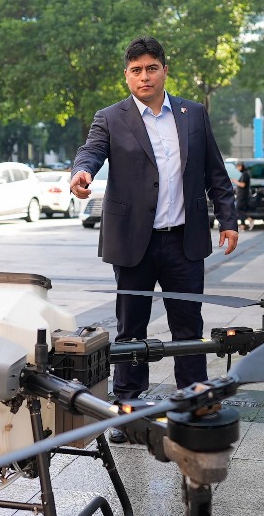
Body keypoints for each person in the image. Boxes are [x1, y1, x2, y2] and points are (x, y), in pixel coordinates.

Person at [70, 36, 239, 442]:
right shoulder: (111, 117)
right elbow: (90, 151)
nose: (144, 76)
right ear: (127, 76)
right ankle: (129, 408)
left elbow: (215, 172)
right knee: (131, 328)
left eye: (151, 68)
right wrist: (82, 173)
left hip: (184, 240)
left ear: (164, 70)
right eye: (135, 70)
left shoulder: (193, 114)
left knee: (188, 325)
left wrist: (228, 219)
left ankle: (193, 401)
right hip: (134, 243)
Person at [234, 162, 252, 230]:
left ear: (241, 166)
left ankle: (250, 219)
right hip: (242, 195)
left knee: (238, 209)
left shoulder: (245, 174)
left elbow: (242, 185)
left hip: (243, 195)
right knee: (241, 209)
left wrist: (235, 181)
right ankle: (243, 225)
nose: (238, 169)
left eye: (238, 167)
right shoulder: (244, 173)